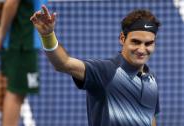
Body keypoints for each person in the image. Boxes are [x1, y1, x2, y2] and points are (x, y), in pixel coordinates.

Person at [31, 5, 161, 126]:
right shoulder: (105, 71)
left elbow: (150, 118)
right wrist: (48, 35)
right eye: (136, 42)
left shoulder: (150, 79)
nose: (142, 49)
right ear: (122, 39)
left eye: (148, 43)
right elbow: (63, 63)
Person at [0, 0, 42, 126]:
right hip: (23, 43)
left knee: (6, 82)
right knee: (16, 94)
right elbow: (12, 2)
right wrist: (1, 32)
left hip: (17, 42)